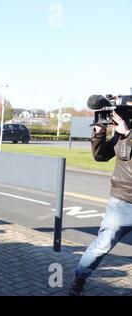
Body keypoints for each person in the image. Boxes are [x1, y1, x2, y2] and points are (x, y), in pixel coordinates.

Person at [69, 111, 132, 296]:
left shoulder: (127, 133)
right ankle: (79, 278)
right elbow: (101, 156)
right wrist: (98, 133)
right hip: (122, 201)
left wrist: (128, 135)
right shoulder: (123, 133)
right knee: (102, 245)